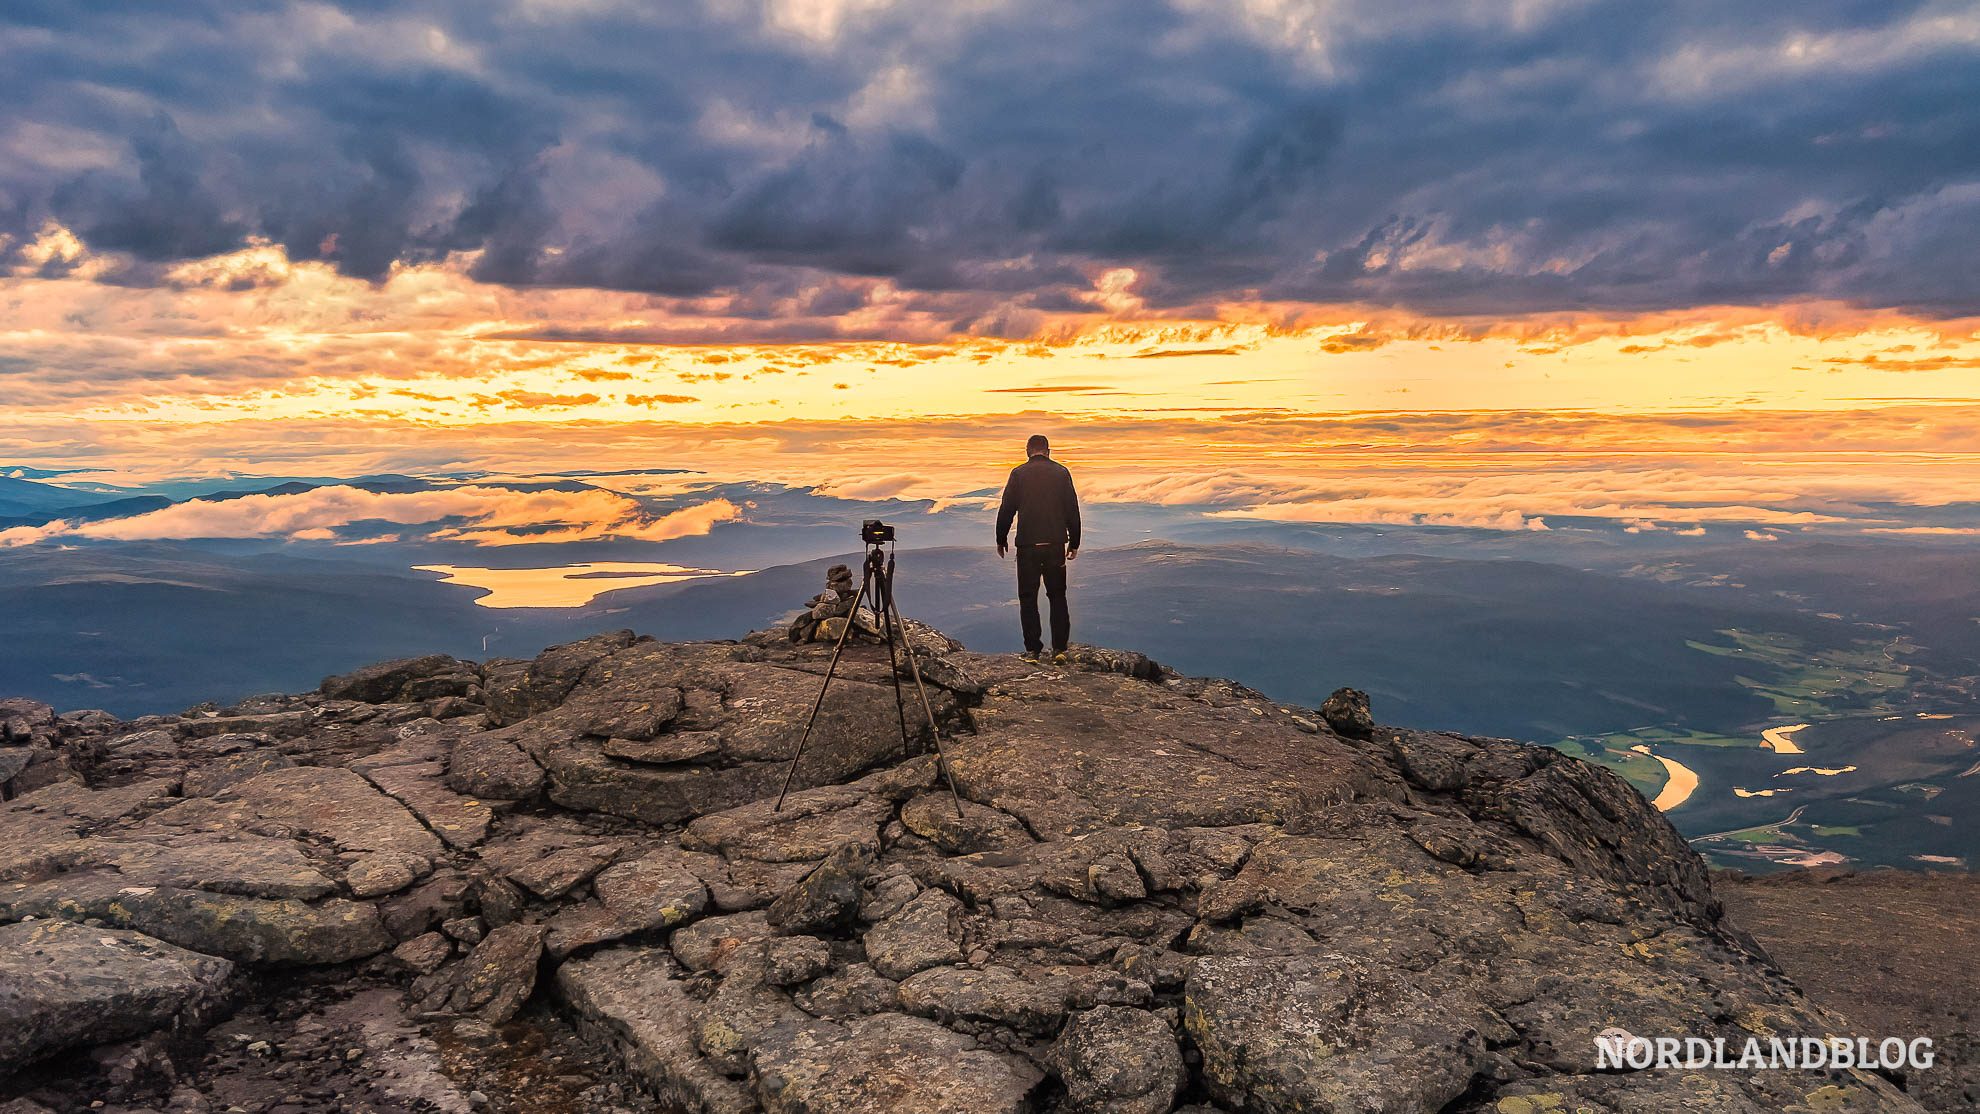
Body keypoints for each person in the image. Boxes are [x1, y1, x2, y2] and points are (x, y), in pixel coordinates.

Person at [995, 434, 1081, 663]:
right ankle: (1059, 650)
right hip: (1054, 544)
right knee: (1057, 596)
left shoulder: (1018, 474)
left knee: (1028, 597)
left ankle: (1033, 650)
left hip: (1028, 545)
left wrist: (1000, 538)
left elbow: (1007, 509)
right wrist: (1074, 542)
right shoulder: (1062, 473)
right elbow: (1072, 509)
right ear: (1048, 450)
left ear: (1027, 450)